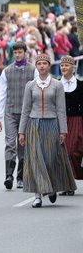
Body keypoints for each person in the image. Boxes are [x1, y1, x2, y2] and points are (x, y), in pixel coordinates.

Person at [18, 54, 77, 208]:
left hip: (52, 125)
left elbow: (61, 109)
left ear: (49, 65)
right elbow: (25, 109)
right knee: (36, 160)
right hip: (34, 125)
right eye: (39, 63)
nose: (42, 66)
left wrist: (63, 130)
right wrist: (21, 132)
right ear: (36, 66)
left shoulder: (57, 85)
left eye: (45, 63)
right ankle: (37, 196)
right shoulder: (30, 85)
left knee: (51, 159)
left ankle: (51, 188)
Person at [0, 41, 35, 189]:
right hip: (10, 111)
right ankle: (8, 175)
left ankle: (21, 176)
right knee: (10, 144)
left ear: (25, 52)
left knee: (23, 145)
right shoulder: (7, 71)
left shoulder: (33, 70)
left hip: (27, 113)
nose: (17, 55)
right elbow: (0, 94)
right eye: (15, 52)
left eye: (20, 52)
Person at [59, 56, 83, 193]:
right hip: (60, 120)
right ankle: (67, 184)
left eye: (66, 66)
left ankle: (72, 178)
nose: (63, 68)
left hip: (76, 120)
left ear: (73, 68)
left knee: (73, 152)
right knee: (62, 153)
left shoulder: (80, 85)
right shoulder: (56, 84)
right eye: (62, 65)